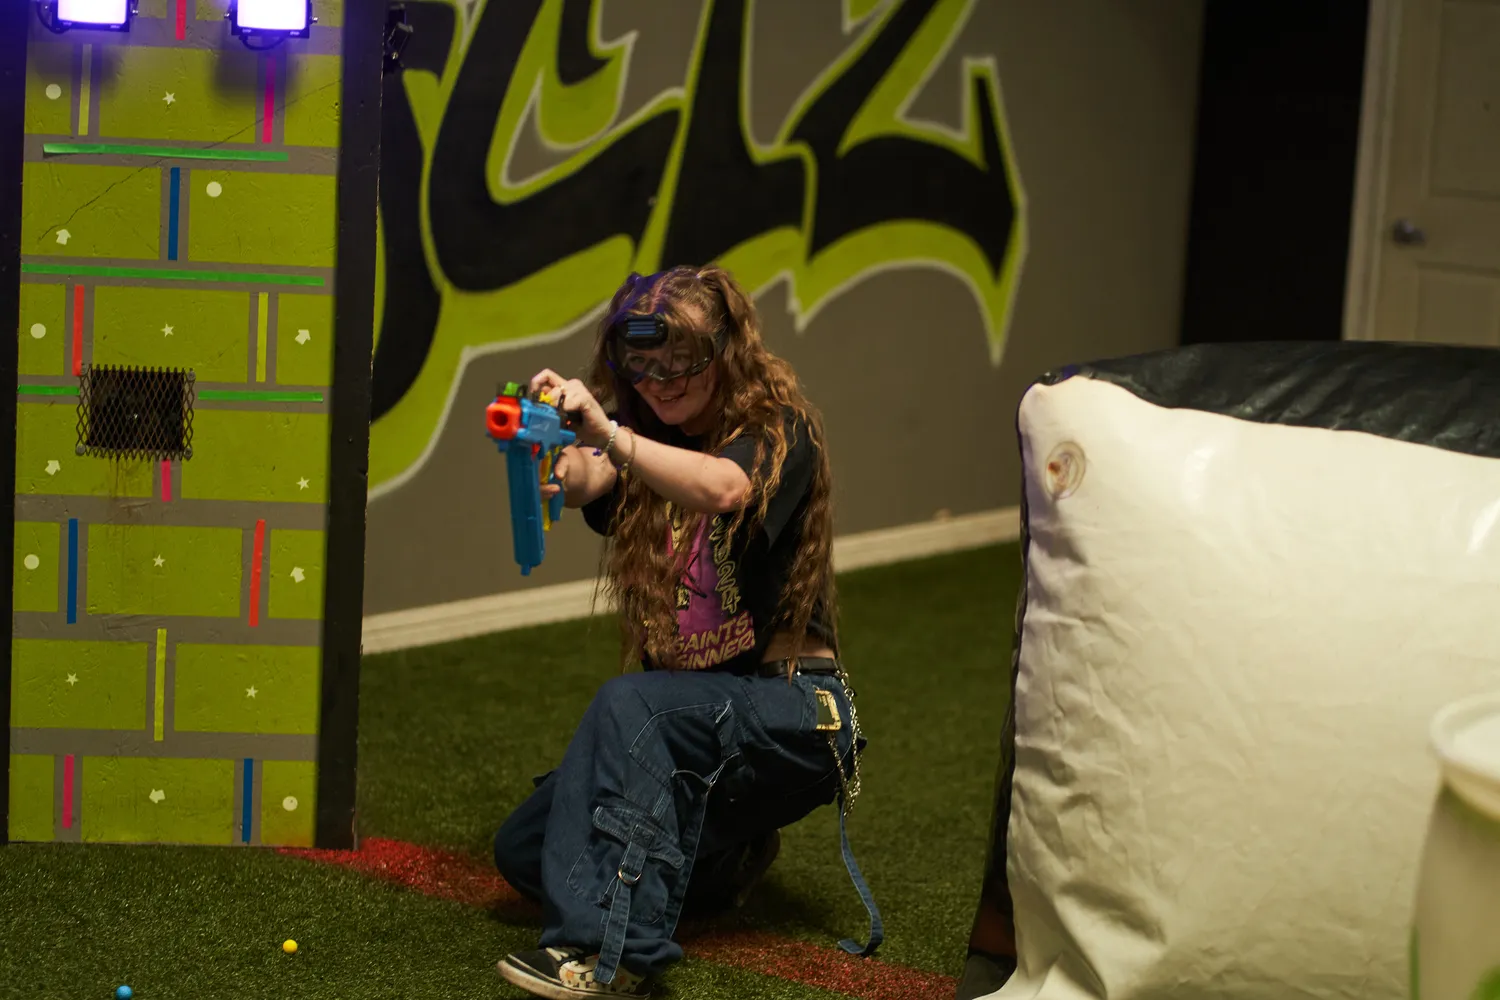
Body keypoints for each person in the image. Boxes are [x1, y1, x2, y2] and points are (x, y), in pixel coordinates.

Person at [491, 265, 881, 999]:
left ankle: (599, 954)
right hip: (703, 723)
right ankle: (721, 856)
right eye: (644, 365)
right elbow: (592, 475)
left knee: (627, 704)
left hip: (797, 714)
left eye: (682, 362)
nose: (663, 380)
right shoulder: (641, 440)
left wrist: (608, 430)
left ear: (726, 356)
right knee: (526, 849)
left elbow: (723, 488)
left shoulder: (777, 429)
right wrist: (553, 460)